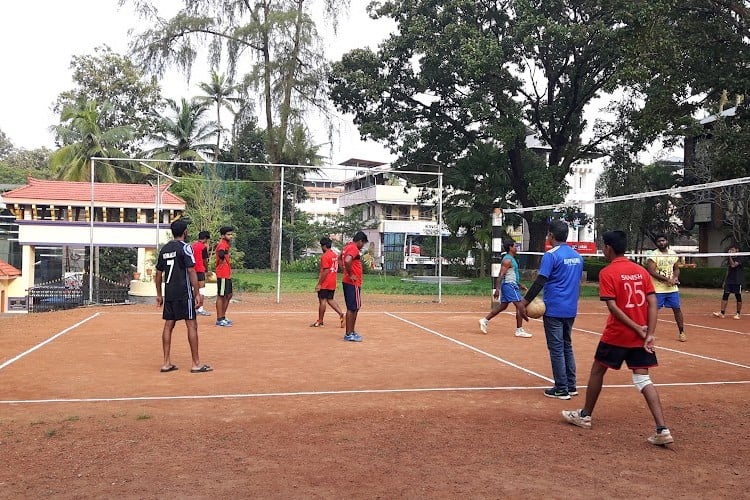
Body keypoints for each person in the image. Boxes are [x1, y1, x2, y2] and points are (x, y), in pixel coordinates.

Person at [562, 230, 673, 446]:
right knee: (643, 379)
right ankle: (662, 428)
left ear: (609, 248)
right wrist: (648, 332)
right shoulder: (640, 271)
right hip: (640, 337)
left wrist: (637, 329)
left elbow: (613, 307)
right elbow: (652, 303)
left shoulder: (608, 272)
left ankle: (585, 415)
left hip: (617, 334)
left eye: (604, 247)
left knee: (597, 370)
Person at [520, 219, 583, 400]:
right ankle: (571, 385)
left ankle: (561, 388)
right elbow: (578, 283)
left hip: (554, 308)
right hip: (570, 307)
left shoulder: (551, 255)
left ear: (551, 236)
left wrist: (524, 302)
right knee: (567, 346)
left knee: (556, 348)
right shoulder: (577, 256)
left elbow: (540, 280)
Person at [155, 219, 212, 373]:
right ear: (185, 232)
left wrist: (159, 294)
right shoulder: (186, 248)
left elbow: (158, 274)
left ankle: (166, 363)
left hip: (170, 292)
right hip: (184, 292)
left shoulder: (165, 249)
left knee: (168, 325)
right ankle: (196, 363)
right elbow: (191, 270)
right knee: (191, 324)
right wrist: (197, 293)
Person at [478, 240, 531, 337]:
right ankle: (519, 330)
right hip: (509, 285)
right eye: (515, 246)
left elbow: (511, 275)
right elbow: (501, 275)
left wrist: (519, 285)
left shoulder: (512, 259)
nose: (517, 248)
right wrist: (497, 289)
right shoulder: (507, 260)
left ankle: (484, 320)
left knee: (503, 306)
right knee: (520, 305)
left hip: (511, 284)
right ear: (510, 248)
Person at [646, 233, 686, 342]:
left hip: (672, 289)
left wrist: (675, 277)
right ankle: (648, 333)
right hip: (658, 289)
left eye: (663, 240)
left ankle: (681, 332)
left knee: (677, 309)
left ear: (667, 241)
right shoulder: (654, 255)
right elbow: (651, 271)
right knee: (653, 310)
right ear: (656, 243)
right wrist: (666, 279)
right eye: (659, 241)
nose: (661, 243)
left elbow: (676, 268)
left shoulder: (673, 254)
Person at [311, 236, 345, 328]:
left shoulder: (325, 256)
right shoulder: (334, 255)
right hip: (332, 281)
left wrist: (319, 283)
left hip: (325, 282)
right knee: (330, 299)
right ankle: (341, 315)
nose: (321, 248)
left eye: (322, 246)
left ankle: (320, 321)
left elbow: (326, 271)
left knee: (322, 301)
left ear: (324, 246)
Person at [341, 231, 368, 342]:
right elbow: (347, 261)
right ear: (360, 241)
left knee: (353, 307)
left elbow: (340, 258)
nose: (362, 246)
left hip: (348, 282)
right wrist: (351, 274)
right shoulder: (353, 249)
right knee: (353, 308)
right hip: (353, 283)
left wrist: (345, 271)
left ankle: (351, 332)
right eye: (363, 244)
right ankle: (349, 333)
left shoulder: (347, 247)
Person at [712, 244, 743, 320]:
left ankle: (738, 313)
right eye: (730, 250)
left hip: (737, 281)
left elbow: (733, 265)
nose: (731, 251)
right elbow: (728, 270)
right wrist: (725, 281)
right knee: (725, 295)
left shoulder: (740, 258)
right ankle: (722, 313)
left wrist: (729, 256)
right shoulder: (730, 259)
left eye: (732, 250)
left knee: (738, 296)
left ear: (737, 250)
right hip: (729, 281)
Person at [214, 225, 234, 327]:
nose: (230, 236)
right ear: (222, 236)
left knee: (229, 295)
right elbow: (221, 253)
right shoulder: (222, 244)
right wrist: (222, 260)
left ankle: (223, 316)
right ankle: (219, 318)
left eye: (231, 234)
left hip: (227, 274)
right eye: (228, 234)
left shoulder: (226, 243)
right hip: (222, 274)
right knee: (221, 296)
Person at [191, 230, 212, 316]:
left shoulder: (192, 246)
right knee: (201, 290)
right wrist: (206, 269)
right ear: (206, 239)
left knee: (194, 290)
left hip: (192, 270)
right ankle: (200, 309)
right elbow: (205, 260)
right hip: (200, 270)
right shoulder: (203, 247)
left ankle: (192, 308)